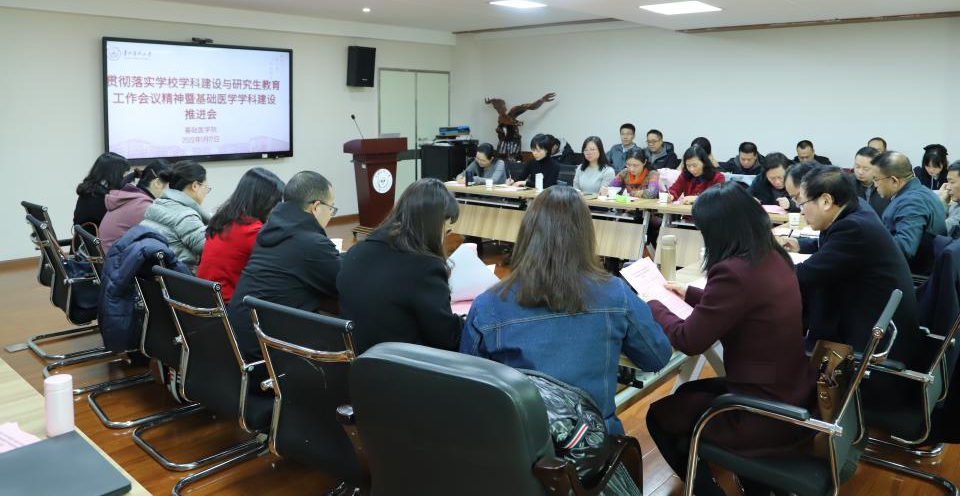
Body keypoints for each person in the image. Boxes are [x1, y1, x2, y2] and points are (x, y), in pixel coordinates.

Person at [643, 183, 817, 494]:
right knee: (687, 393)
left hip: (762, 410)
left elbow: (688, 340)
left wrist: (653, 305)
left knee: (660, 415)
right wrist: (690, 293)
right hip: (792, 390)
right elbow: (745, 304)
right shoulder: (773, 256)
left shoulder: (733, 271)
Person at [460, 186, 672, 435]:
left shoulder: (487, 305)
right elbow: (656, 356)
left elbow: (469, 388)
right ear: (585, 236)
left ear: (527, 233)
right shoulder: (615, 293)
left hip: (518, 445)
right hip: (592, 444)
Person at [779, 167, 920, 368]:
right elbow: (834, 249)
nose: (801, 210)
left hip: (872, 340)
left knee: (779, 340)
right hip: (878, 321)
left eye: (802, 203)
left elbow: (805, 275)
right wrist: (801, 245)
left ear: (826, 201)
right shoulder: (854, 208)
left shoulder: (853, 229)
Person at [337, 178, 464, 355]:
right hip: (402, 365)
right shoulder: (425, 267)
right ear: (433, 226)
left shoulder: (356, 251)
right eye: (446, 230)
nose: (444, 237)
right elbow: (446, 337)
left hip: (359, 360)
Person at [227, 171, 343, 361]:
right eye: (331, 208)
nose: (331, 215)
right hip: (269, 352)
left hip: (240, 344)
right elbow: (346, 283)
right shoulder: (311, 243)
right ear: (316, 207)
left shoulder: (270, 230)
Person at [196, 167, 285, 303]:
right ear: (264, 202)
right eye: (275, 203)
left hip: (204, 301)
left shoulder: (223, 219)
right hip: (228, 306)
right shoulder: (252, 231)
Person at [872, 151, 948, 274]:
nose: (874, 185)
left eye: (876, 179)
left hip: (913, 275)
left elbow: (905, 248)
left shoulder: (911, 202)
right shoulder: (921, 191)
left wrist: (869, 247)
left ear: (894, 181)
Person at [140, 160, 210, 270]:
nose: (206, 193)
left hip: (158, 275)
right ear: (195, 186)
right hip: (184, 277)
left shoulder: (155, 206)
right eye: (206, 188)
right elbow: (211, 249)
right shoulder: (186, 217)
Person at [98, 160, 170, 253]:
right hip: (117, 260)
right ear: (158, 183)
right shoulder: (144, 206)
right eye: (173, 187)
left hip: (110, 257)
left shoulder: (131, 197)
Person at [74, 152, 131, 230]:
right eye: (122, 174)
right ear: (114, 174)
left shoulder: (89, 189)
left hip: (85, 236)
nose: (123, 178)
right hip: (98, 236)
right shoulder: (100, 197)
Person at [852, 146, 890, 217]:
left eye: (865, 169)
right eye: (857, 166)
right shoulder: (847, 183)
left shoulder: (887, 185)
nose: (860, 172)